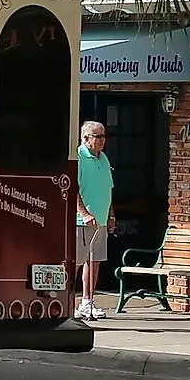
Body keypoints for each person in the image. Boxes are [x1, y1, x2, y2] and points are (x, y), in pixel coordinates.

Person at [74, 119, 114, 320]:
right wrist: (83, 213)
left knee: (94, 261)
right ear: (86, 138)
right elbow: (72, 189)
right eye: (98, 136)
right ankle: (65, 302)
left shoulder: (104, 158)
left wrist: (111, 215)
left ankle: (87, 303)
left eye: (104, 136)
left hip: (100, 220)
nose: (103, 140)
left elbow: (109, 188)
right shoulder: (78, 158)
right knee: (75, 262)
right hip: (81, 221)